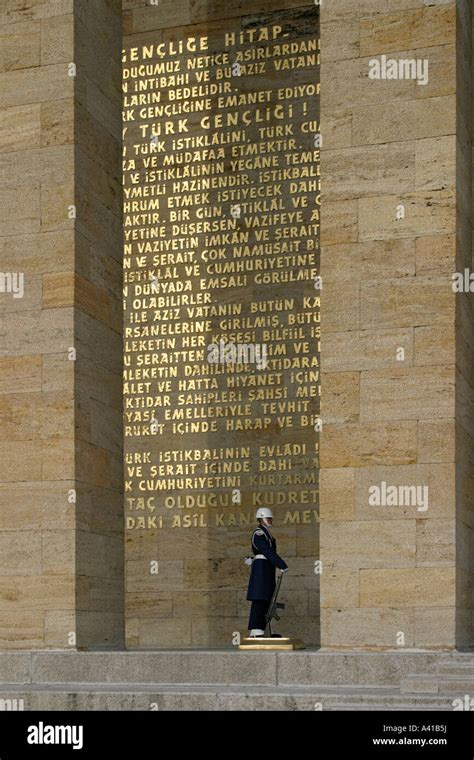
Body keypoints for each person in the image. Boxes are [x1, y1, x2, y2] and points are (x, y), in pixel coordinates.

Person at [246, 507, 288, 638]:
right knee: (259, 598)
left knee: (266, 599)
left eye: (271, 518)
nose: (270, 520)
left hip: (266, 568)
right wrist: (281, 564)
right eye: (268, 518)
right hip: (262, 569)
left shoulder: (266, 533)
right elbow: (266, 551)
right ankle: (255, 630)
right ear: (261, 519)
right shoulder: (259, 533)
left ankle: (262, 630)